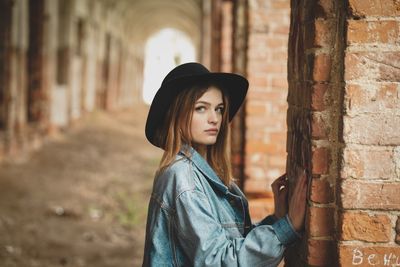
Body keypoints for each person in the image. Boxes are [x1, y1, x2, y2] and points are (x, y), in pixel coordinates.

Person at [142, 62, 307, 267]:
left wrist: (277, 220)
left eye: (219, 109)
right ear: (176, 114)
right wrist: (288, 228)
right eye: (201, 108)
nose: (215, 119)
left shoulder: (201, 172)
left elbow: (230, 242)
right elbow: (220, 261)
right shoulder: (184, 178)